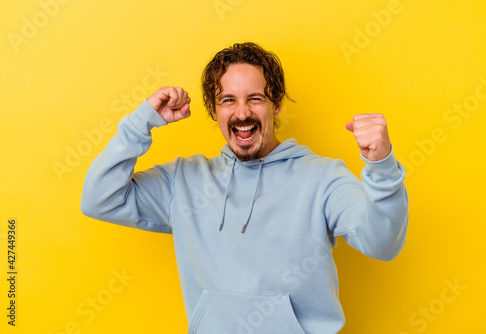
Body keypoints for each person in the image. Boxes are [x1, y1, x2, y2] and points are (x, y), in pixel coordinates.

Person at [81, 42, 409, 334]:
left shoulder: (322, 179)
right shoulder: (183, 182)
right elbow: (99, 199)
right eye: (228, 100)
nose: (242, 113)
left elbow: (382, 243)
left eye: (255, 98)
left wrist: (381, 167)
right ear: (213, 108)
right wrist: (141, 123)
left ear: (276, 105)